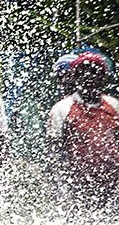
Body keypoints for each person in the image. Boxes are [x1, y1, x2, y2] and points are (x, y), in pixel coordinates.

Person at [45, 51, 119, 206]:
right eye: (84, 72)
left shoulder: (114, 106)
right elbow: (54, 151)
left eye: (95, 72)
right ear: (76, 77)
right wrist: (59, 186)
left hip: (113, 182)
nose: (89, 77)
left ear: (102, 78)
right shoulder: (62, 109)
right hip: (78, 184)